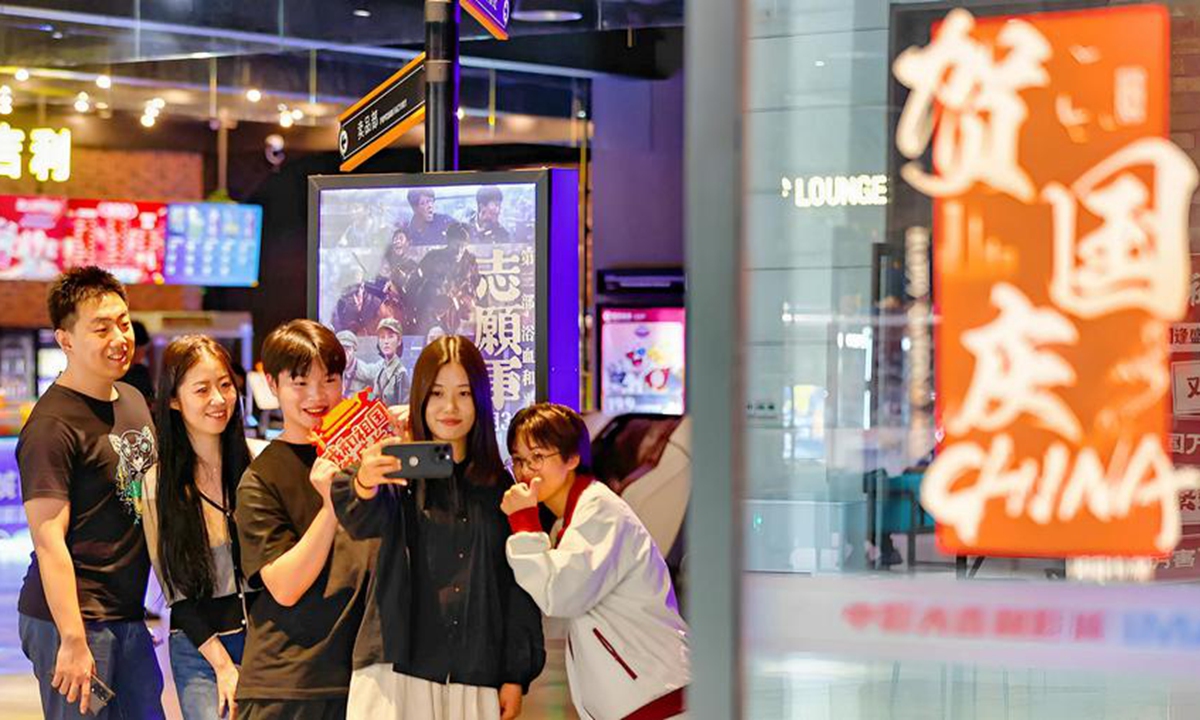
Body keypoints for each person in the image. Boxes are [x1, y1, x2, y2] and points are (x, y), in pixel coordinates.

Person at [331, 335, 545, 719]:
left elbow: (519, 590)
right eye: (437, 393)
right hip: (396, 671)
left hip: (473, 672)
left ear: (479, 399)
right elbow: (358, 517)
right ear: (420, 398)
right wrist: (364, 481)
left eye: (463, 393)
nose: (450, 407)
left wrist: (515, 674)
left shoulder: (501, 489)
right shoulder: (394, 473)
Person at [17, 266, 166, 719]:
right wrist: (73, 639)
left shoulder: (132, 400)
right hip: (70, 619)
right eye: (100, 328)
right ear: (65, 339)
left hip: (124, 613)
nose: (119, 337)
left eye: (122, 323)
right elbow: (48, 540)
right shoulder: (51, 425)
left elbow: (147, 501)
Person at [501, 403, 690, 720]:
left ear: (572, 458)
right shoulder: (570, 520)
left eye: (537, 457)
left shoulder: (598, 511)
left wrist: (524, 523)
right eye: (518, 460)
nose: (525, 471)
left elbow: (559, 594)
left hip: (657, 698)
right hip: (646, 697)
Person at [233, 319, 373, 720]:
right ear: (272, 385)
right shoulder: (260, 479)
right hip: (288, 687)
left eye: (329, 379)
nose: (317, 395)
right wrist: (331, 506)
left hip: (361, 679)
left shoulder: (364, 462)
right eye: (300, 382)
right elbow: (286, 587)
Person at [143, 335, 256, 720]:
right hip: (201, 649)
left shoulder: (256, 464)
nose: (219, 400)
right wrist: (224, 666)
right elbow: (176, 591)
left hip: (265, 644)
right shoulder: (158, 484)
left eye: (225, 385)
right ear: (174, 400)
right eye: (202, 389)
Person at [374, 318, 410, 406]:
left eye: (390, 336)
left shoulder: (401, 374)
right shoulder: (380, 371)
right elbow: (375, 397)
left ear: (399, 341)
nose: (386, 341)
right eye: (382, 337)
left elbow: (404, 407)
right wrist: (366, 396)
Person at [120, 320, 155, 404]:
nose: (144, 352)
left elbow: (150, 398)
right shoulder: (115, 374)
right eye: (143, 347)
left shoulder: (141, 371)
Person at [338, 330, 377, 397]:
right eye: (341, 349)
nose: (344, 353)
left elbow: (375, 395)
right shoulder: (333, 370)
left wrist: (367, 401)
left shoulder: (366, 372)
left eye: (348, 349)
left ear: (354, 350)